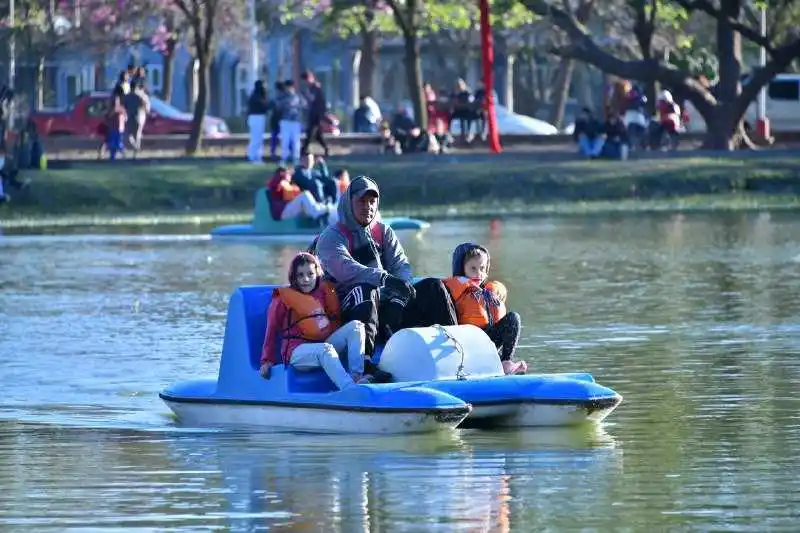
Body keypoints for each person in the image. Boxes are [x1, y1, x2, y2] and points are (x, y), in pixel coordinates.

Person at [315, 176, 416, 357]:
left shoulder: (384, 232)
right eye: (361, 201)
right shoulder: (331, 237)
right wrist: (385, 279)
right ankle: (365, 362)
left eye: (372, 201)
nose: (367, 206)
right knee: (365, 289)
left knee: (433, 287)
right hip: (349, 308)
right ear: (349, 202)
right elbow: (347, 270)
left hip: (385, 303)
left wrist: (398, 297)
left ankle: (453, 353)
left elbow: (402, 265)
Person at [260, 252, 372, 388]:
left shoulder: (324, 293)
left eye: (310, 274)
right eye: (300, 275)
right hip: (297, 352)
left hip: (323, 346)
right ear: (293, 276)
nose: (306, 279)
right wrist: (267, 361)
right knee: (324, 349)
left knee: (356, 326)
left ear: (317, 273)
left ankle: (356, 377)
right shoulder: (282, 300)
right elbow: (271, 330)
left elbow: (334, 322)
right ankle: (350, 388)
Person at [444, 243, 527, 375]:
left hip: (489, 339)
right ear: (461, 268)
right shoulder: (451, 291)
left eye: (482, 268)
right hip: (468, 344)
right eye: (473, 268)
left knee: (513, 318)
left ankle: (505, 362)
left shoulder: (489, 291)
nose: (479, 273)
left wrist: (496, 292)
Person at [267, 164, 336, 225]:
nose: (291, 176)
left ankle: (329, 212)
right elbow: (274, 183)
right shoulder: (276, 184)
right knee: (305, 194)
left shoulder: (291, 185)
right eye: (288, 174)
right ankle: (318, 212)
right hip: (282, 212)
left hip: (292, 210)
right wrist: (283, 175)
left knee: (317, 204)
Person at [300, 70, 330, 157]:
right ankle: (326, 148)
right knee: (317, 134)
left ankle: (304, 150)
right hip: (313, 113)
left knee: (310, 132)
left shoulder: (315, 87)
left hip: (317, 114)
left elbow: (313, 99)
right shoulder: (310, 87)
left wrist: (306, 95)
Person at [277, 80, 304, 164]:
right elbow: (277, 106)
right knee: (285, 141)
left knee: (296, 141)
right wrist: (286, 103)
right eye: (287, 87)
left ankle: (296, 158)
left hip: (295, 121)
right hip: (285, 121)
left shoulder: (298, 96)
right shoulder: (282, 96)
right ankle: (284, 158)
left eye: (289, 87)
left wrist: (295, 105)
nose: (288, 89)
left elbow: (304, 105)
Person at [124, 80, 151, 156]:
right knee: (136, 135)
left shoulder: (132, 96)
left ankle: (135, 151)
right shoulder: (140, 95)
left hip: (135, 117)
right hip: (137, 117)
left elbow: (124, 106)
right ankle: (136, 150)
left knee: (131, 136)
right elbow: (146, 107)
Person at [246, 80, 269, 163]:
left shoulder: (257, 95)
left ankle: (258, 156)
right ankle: (252, 157)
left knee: (259, 138)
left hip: (258, 117)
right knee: (255, 138)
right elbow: (264, 105)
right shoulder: (256, 96)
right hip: (256, 117)